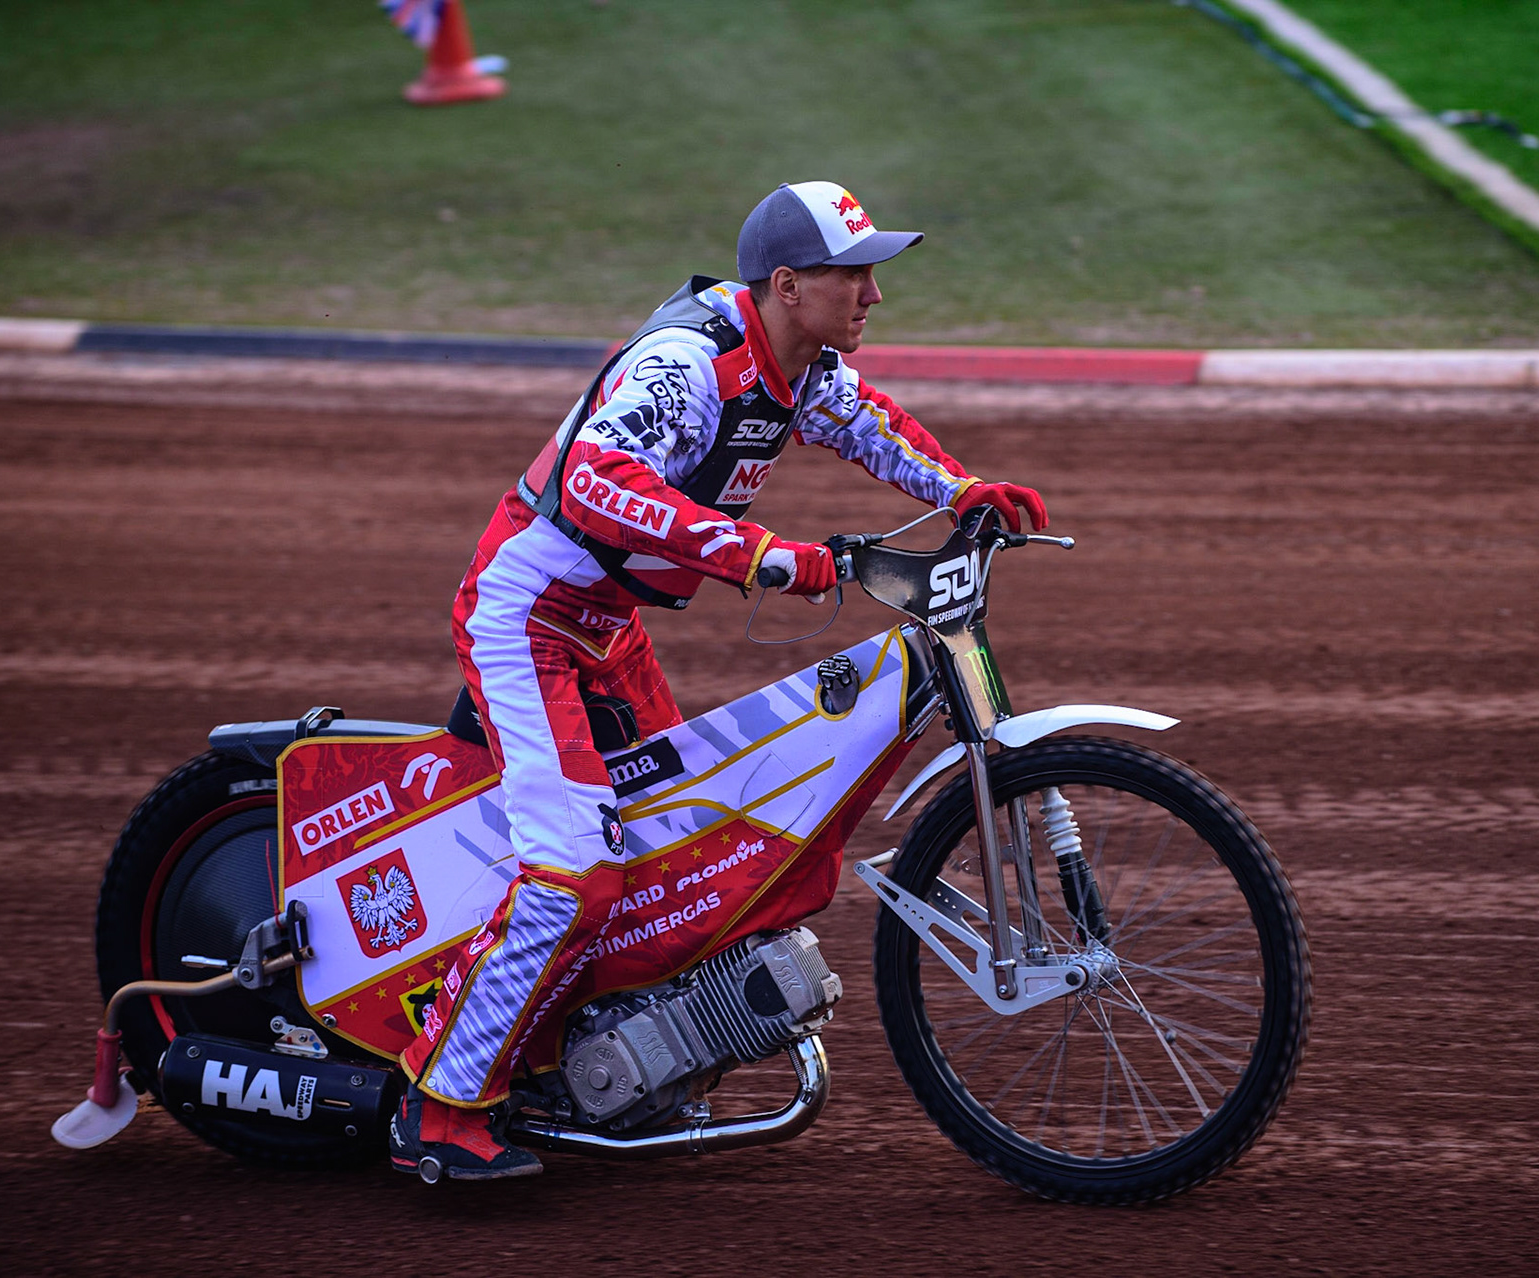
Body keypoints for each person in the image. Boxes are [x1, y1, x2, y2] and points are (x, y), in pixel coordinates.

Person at [390, 181, 1048, 1179]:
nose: (874, 294)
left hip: (606, 627)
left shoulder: (802, 365)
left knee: (684, 837)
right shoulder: (688, 365)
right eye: (853, 274)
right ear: (787, 285)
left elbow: (867, 424)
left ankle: (585, 1053)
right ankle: (437, 1109)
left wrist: (964, 491)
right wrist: (761, 556)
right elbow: (594, 483)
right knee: (576, 872)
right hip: (527, 617)